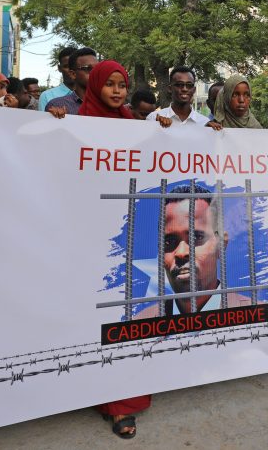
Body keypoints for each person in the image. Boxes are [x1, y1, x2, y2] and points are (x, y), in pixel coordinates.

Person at [77, 59, 170, 439]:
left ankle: (122, 404)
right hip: (91, 236)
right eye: (109, 84)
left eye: (122, 84)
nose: (116, 91)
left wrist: (168, 132)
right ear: (96, 85)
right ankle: (94, 392)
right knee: (95, 315)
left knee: (130, 317)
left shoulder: (135, 125)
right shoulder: (76, 122)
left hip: (135, 234)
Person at [135, 184, 254, 318]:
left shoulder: (256, 318)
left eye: (197, 237)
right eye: (169, 242)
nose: (181, 252)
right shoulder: (139, 324)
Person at [145, 66, 210, 125]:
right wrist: (156, 127)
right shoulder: (153, 119)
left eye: (189, 85)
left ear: (194, 90)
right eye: (179, 85)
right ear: (170, 88)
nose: (184, 89)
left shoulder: (204, 123)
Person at [45, 47, 98, 115]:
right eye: (88, 68)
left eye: (97, 68)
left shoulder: (109, 104)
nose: (95, 72)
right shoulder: (57, 105)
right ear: (73, 74)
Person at [38, 46, 76, 111]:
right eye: (66, 66)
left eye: (74, 65)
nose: (71, 70)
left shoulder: (91, 95)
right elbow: (43, 121)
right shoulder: (46, 96)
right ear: (59, 68)